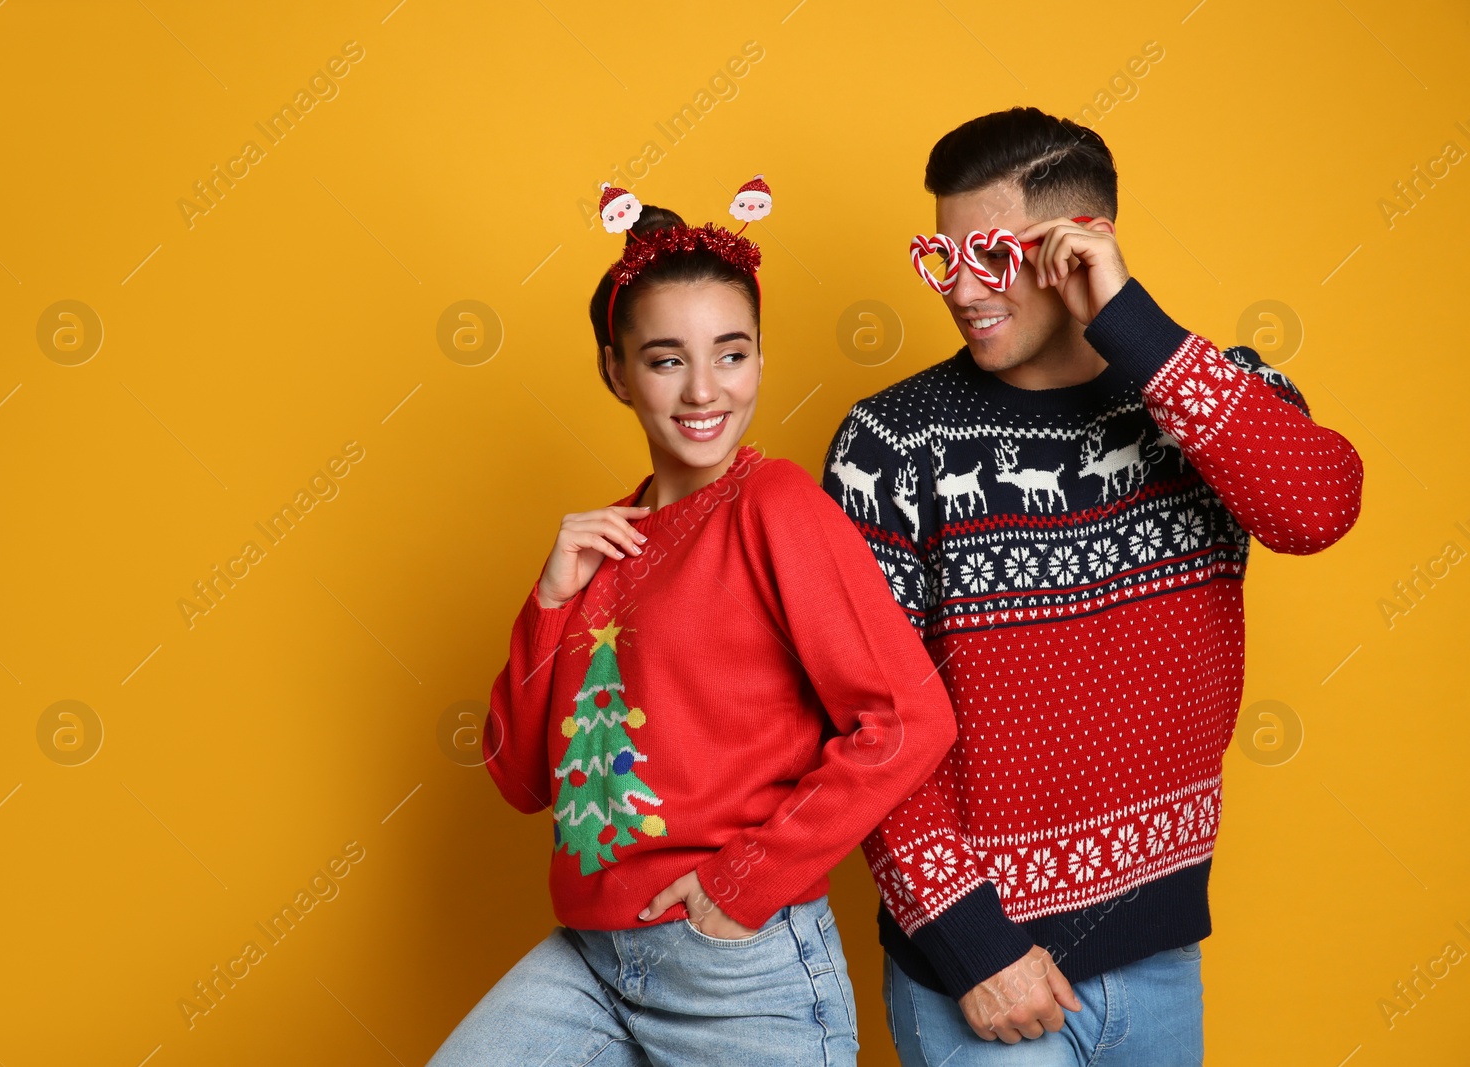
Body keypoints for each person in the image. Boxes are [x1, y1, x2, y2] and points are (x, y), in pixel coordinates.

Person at [821, 107, 1364, 1065]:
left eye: (992, 254)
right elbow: (864, 717)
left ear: (1083, 244)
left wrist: (1132, 327)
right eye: (942, 256)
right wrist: (974, 949)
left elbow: (1317, 507)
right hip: (982, 981)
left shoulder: (1206, 397)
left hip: (1161, 962)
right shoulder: (893, 445)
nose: (962, 288)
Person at [428, 181, 960, 1067]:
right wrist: (552, 599)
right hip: (596, 957)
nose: (705, 388)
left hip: (734, 967)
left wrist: (742, 881)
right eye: (668, 359)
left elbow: (907, 719)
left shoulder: (773, 503)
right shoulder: (602, 544)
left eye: (733, 352)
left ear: (759, 357)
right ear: (616, 370)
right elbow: (521, 778)